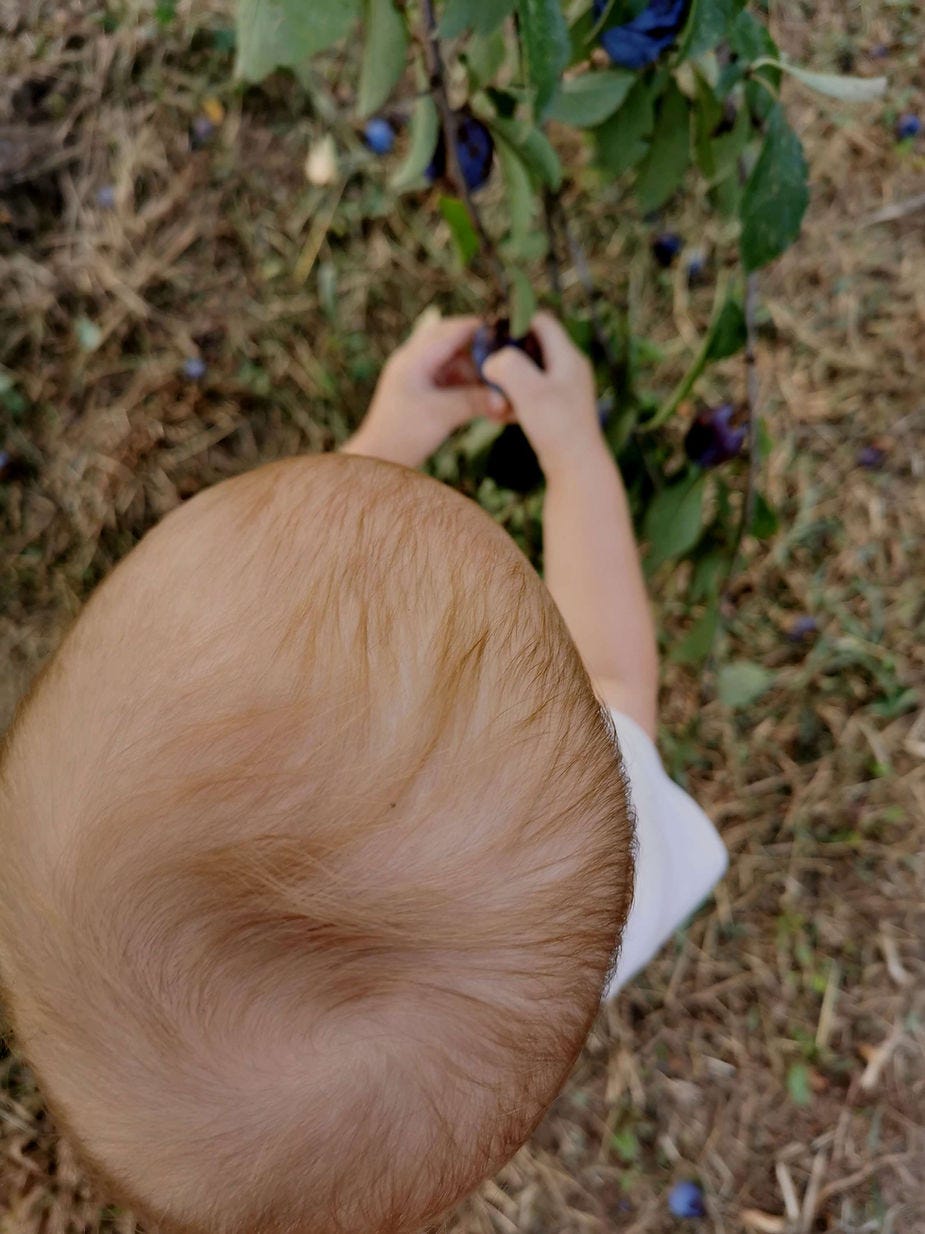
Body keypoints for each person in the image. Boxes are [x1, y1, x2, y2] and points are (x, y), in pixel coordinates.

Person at [0, 311, 726, 1234]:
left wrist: (391, 438)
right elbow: (619, 674)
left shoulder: (441, 1036)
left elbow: (286, 594)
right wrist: (574, 445)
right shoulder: (593, 884)